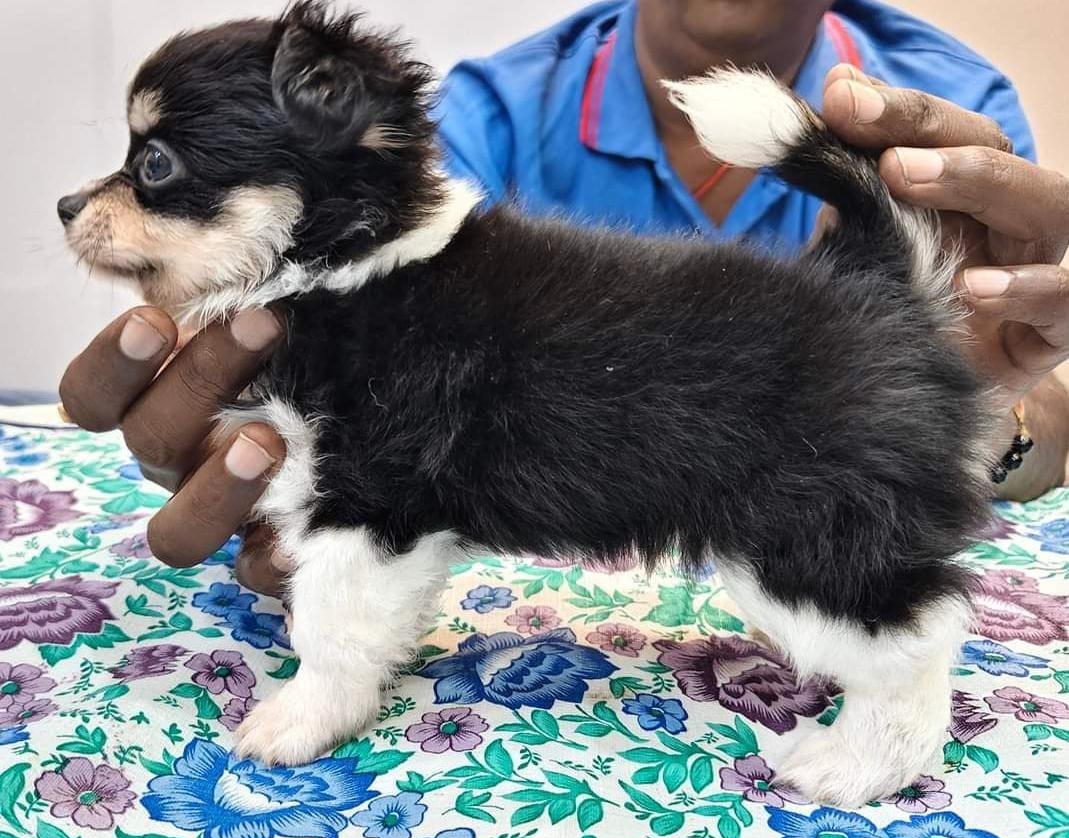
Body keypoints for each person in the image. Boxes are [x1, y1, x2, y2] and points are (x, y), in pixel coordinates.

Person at [59, 0, 1069, 598]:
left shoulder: (949, 125)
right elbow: (386, 410)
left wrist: (974, 406)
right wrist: (277, 425)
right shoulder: (488, 116)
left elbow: (1031, 433)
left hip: (819, 566)